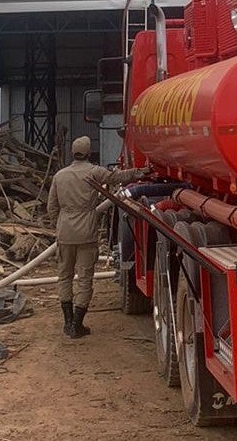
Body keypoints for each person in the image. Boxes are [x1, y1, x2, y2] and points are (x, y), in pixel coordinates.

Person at [46, 136, 146, 339]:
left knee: (64, 276)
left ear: (72, 152)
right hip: (86, 232)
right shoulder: (94, 172)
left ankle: (67, 322)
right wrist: (140, 172)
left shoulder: (60, 176)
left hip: (65, 233)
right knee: (85, 278)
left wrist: (60, 225)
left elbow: (52, 207)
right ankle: (77, 325)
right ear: (89, 153)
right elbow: (117, 177)